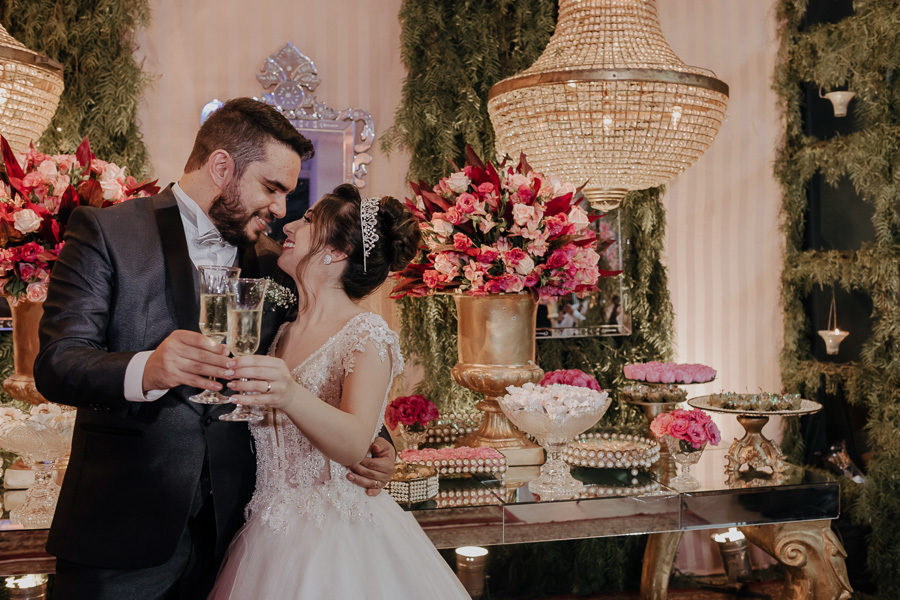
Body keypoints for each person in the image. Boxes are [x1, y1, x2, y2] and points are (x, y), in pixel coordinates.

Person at [34, 98, 396, 600]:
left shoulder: (276, 265)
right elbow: (57, 363)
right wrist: (147, 369)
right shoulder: (107, 231)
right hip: (121, 532)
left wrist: (377, 439)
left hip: (242, 541)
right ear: (222, 166)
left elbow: (323, 353)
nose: (280, 210)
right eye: (272, 188)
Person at [209, 184, 469, 600]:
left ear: (340, 251)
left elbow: (354, 442)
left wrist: (289, 393)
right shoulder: (283, 331)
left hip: (337, 537)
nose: (290, 223)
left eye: (309, 220)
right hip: (265, 530)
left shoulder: (366, 333)